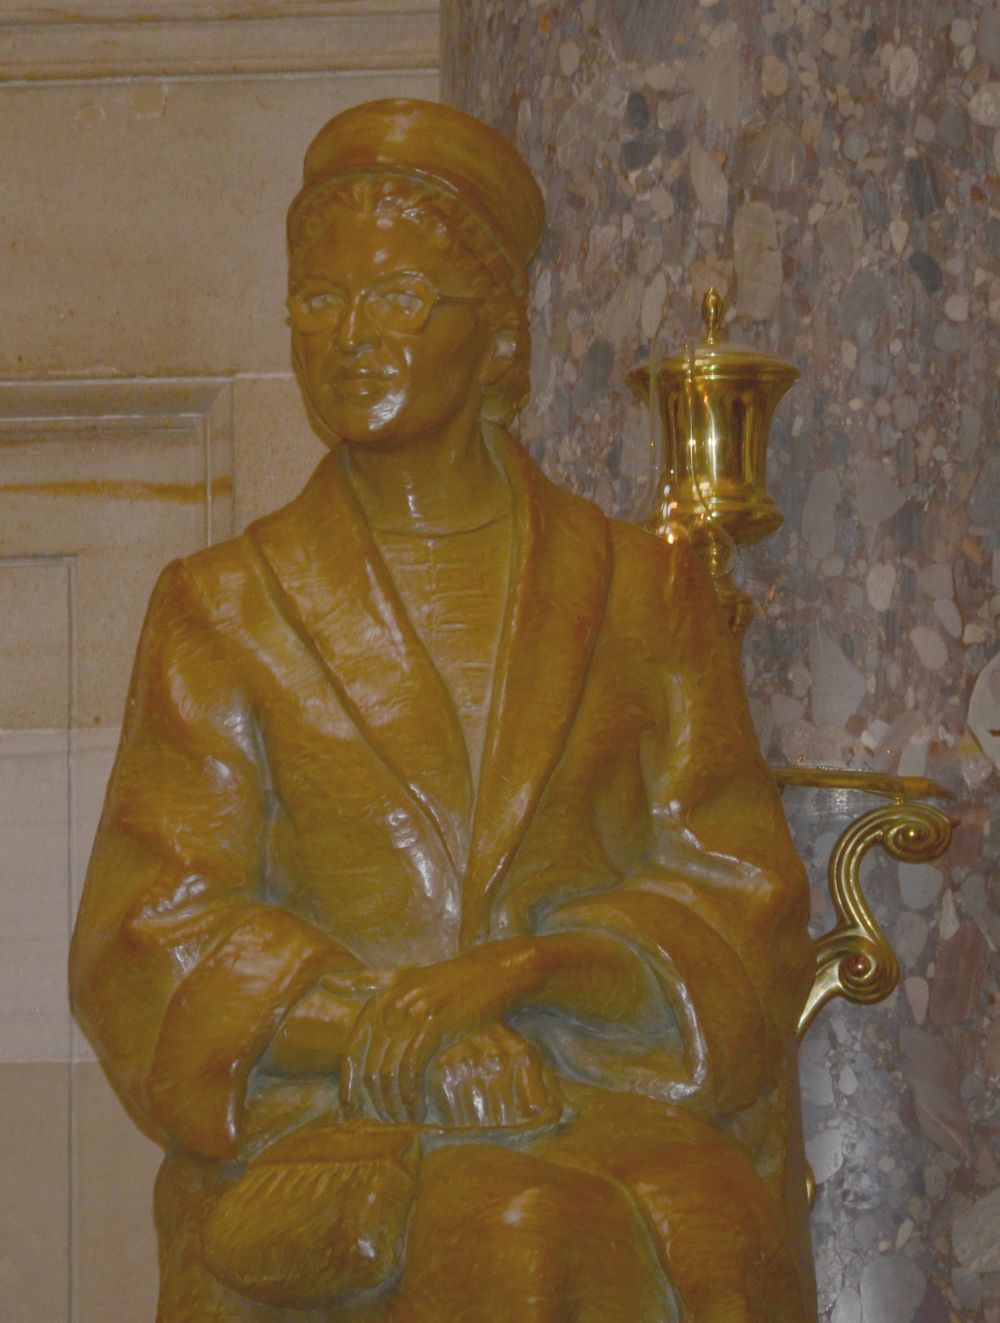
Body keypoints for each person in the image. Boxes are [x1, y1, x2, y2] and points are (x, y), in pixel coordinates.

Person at [70, 99, 817, 1322]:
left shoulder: (647, 589)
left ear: (503, 333)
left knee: (716, 1235)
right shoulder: (224, 606)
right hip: (328, 1140)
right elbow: (146, 941)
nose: (350, 336)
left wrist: (529, 972)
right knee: (515, 1231)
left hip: (606, 1108)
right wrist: (393, 1034)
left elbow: (742, 906)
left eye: (401, 299)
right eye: (318, 301)